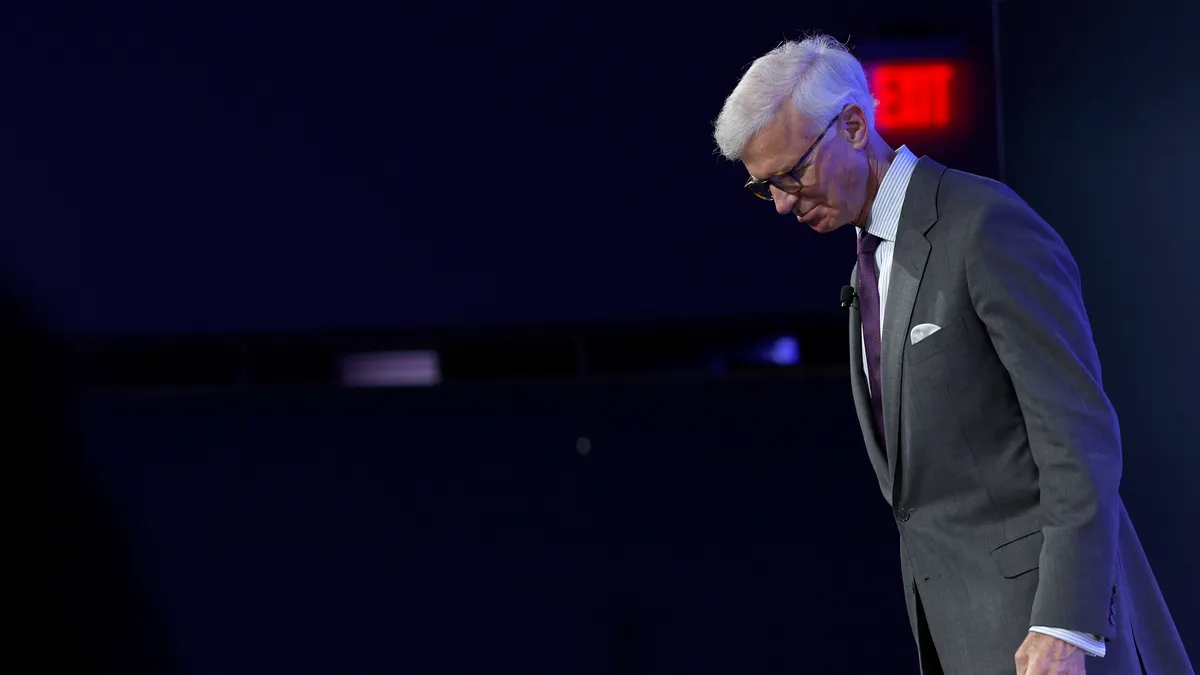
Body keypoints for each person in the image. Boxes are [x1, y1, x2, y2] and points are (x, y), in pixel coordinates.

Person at [712, 36, 1193, 675]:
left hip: (1052, 640)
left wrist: (1066, 624)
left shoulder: (982, 224)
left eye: (792, 174)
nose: (782, 204)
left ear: (854, 126)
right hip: (960, 638)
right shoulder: (866, 273)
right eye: (763, 187)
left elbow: (1079, 439)